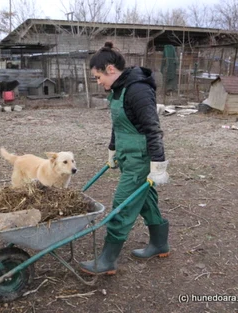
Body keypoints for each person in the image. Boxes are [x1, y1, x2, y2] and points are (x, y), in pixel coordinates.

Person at [79, 41, 170, 275]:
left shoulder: (137, 89)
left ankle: (108, 260)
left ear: (110, 69)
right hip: (127, 155)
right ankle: (160, 244)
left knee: (122, 204)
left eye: (98, 77)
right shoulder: (118, 89)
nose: (98, 83)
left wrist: (158, 165)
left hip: (141, 159)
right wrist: (113, 149)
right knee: (146, 200)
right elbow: (118, 124)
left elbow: (153, 128)